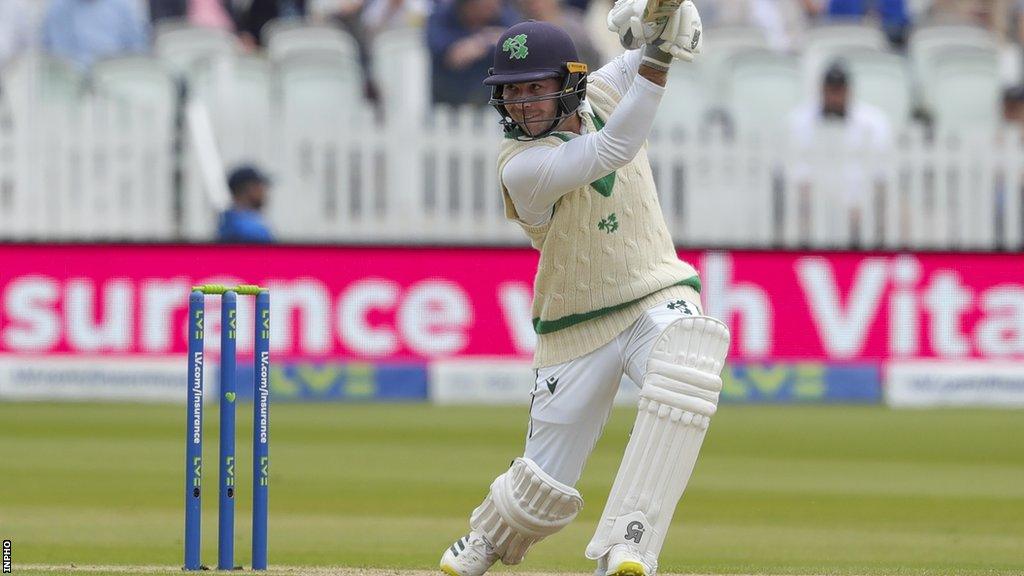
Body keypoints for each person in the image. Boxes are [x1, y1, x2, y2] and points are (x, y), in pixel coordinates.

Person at [438, 4, 730, 576]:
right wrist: (660, 54)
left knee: (690, 360)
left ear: (569, 83)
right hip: (576, 320)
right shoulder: (522, 164)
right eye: (512, 92)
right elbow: (612, 149)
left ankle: (628, 546)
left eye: (536, 88)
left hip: (654, 287)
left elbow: (649, 50)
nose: (523, 104)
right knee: (540, 491)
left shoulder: (602, 89)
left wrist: (658, 23)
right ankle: (485, 540)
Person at [787, 60, 893, 246]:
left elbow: (881, 173)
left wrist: (861, 206)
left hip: (859, 210)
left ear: (849, 91)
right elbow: (794, 169)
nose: (835, 97)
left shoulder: (873, 122)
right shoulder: (799, 121)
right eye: (831, 90)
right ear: (821, 90)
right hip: (813, 209)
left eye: (839, 90)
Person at [425, 0, 520, 105]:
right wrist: (485, 39)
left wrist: (477, 45)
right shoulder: (443, 16)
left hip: (492, 102)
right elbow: (455, 58)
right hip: (448, 103)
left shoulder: (503, 15)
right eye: (486, 5)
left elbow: (516, 48)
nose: (495, 8)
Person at [41, 0, 150, 70]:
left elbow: (138, 53)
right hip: (69, 84)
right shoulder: (57, 7)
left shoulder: (125, 7)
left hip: (114, 79)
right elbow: (51, 55)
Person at [217, 165, 275, 243]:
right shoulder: (254, 231)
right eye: (260, 186)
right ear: (250, 189)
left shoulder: (226, 223)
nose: (264, 193)